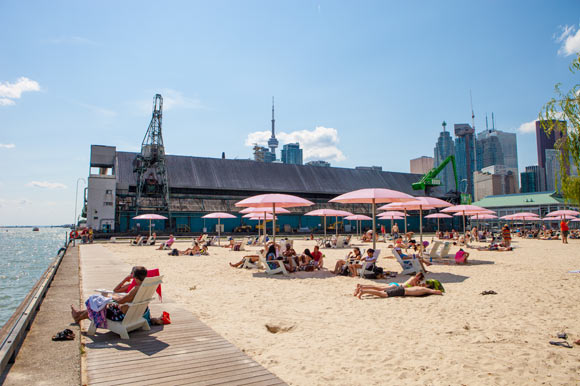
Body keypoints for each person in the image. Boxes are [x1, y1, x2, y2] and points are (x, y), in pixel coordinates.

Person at [71, 266, 163, 325]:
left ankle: (78, 316)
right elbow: (126, 299)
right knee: (104, 305)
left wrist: (110, 297)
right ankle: (78, 315)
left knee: (100, 306)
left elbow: (121, 301)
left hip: (122, 316)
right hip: (138, 313)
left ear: (134, 277)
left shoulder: (136, 289)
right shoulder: (145, 287)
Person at [353, 279, 443, 299]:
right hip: (401, 291)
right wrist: (439, 290)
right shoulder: (427, 290)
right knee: (383, 294)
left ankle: (364, 290)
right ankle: (363, 291)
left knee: (381, 291)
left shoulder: (419, 287)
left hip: (400, 289)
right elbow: (437, 292)